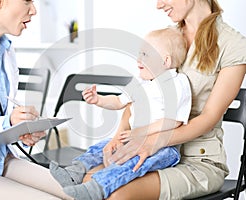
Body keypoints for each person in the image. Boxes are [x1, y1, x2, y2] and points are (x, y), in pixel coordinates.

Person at [82, 0, 246, 199]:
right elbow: (140, 95)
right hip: (147, 149)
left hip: (197, 161)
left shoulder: (232, 45)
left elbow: (209, 117)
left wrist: (154, 141)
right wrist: (119, 137)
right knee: (90, 181)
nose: (158, 5)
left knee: (117, 194)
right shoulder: (164, 38)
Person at [49, 28, 192, 200]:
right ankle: (74, 172)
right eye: (140, 53)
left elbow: (173, 121)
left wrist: (141, 131)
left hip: (163, 147)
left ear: (166, 61)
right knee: (100, 147)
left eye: (146, 54)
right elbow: (118, 102)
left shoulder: (178, 83)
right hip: (133, 139)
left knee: (132, 164)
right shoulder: (141, 82)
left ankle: (96, 189)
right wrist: (99, 100)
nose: (139, 59)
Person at [0, 0, 72, 200]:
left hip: (1, 159)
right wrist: (7, 122)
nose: (33, 10)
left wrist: (21, 132)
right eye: (27, 1)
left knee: (82, 193)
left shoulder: (6, 50)